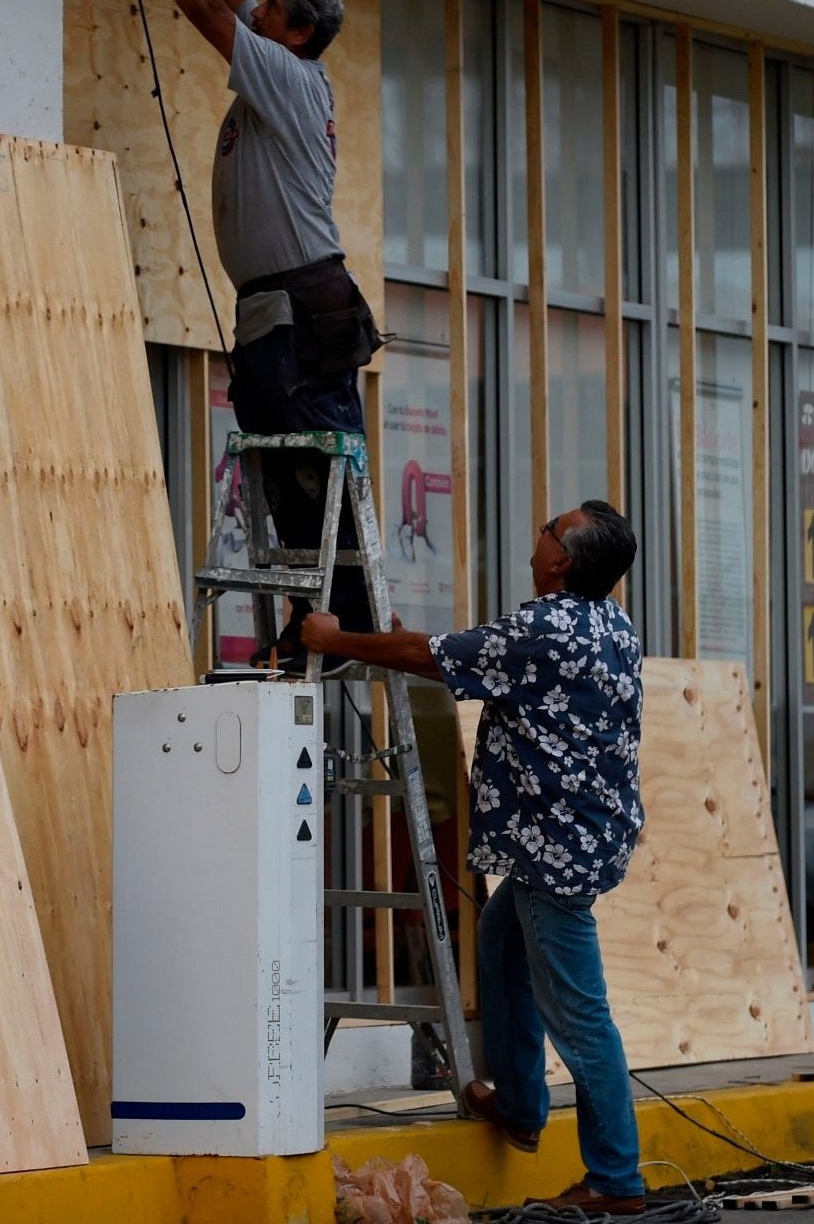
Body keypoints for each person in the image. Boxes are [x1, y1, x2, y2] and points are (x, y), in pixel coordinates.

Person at [300, 501, 649, 1215]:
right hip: (567, 839)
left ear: (562, 562)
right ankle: (520, 1106)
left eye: (550, 526)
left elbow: (432, 657)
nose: (540, 529)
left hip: (554, 852)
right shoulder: (610, 622)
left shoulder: (546, 627)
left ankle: (616, 1181)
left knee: (582, 1020)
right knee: (498, 943)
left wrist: (336, 637)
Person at [101, 0, 378, 664]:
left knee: (320, 486)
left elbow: (200, 2)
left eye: (276, 6)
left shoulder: (289, 79)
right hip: (276, 309)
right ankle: (308, 624)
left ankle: (346, 630)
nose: (260, 6)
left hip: (302, 309)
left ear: (296, 35)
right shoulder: (279, 61)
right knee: (294, 493)